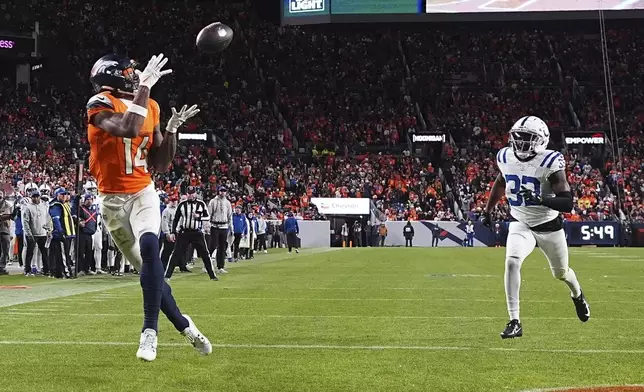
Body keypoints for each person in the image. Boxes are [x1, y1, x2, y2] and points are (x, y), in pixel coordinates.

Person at [86, 53, 210, 361]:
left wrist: (171, 130)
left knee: (151, 247)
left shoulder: (151, 105)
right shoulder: (99, 103)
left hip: (142, 191)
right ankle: (185, 326)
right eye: (129, 72)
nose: (136, 74)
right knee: (151, 274)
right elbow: (127, 128)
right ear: (113, 77)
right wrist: (144, 87)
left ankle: (149, 331)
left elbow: (160, 163)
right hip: (111, 202)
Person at [483, 115, 590, 340]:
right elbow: (501, 182)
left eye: (527, 138)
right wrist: (488, 210)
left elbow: (568, 203)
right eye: (518, 137)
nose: (521, 142)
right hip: (521, 223)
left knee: (561, 273)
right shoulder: (504, 155)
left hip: (549, 226)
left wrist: (540, 199)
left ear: (541, 140)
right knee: (512, 261)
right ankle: (515, 321)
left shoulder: (550, 161)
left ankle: (577, 294)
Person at [165, 186, 217, 281]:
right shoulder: (182, 205)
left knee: (205, 254)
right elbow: (176, 219)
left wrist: (199, 217)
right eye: (189, 193)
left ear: (195, 193)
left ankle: (212, 275)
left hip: (197, 232)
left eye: (192, 193)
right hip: (184, 232)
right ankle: (167, 275)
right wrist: (173, 232)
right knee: (176, 253)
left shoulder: (201, 204)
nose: (190, 195)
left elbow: (207, 217)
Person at [22, 190, 52, 276]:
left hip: (43, 233)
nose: (35, 198)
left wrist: (49, 229)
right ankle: (27, 270)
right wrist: (28, 233)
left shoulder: (44, 206)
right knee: (30, 253)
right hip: (32, 234)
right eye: (33, 197)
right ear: (31, 197)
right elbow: (26, 222)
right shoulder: (28, 207)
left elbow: (48, 219)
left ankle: (46, 270)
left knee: (45, 253)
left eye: (37, 196)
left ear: (39, 197)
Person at [49, 188, 76, 278]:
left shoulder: (64, 204)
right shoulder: (56, 205)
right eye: (62, 194)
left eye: (65, 194)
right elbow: (56, 220)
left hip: (68, 233)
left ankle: (59, 273)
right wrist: (61, 232)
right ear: (57, 195)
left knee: (64, 253)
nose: (64, 196)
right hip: (61, 234)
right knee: (63, 254)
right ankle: (66, 272)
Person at [208, 185, 232, 274]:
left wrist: (231, 227)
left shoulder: (228, 203)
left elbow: (230, 216)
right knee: (212, 246)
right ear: (218, 191)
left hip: (224, 226)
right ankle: (207, 264)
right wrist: (207, 226)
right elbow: (209, 214)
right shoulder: (213, 201)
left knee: (222, 247)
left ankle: (220, 266)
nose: (223, 192)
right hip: (215, 225)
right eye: (221, 191)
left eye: (224, 191)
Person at [77, 194, 98, 274]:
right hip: (82, 233)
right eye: (87, 199)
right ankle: (80, 269)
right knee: (81, 252)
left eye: (90, 199)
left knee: (89, 252)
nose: (89, 201)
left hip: (89, 233)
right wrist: (79, 222)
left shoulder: (92, 210)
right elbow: (76, 217)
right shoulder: (81, 209)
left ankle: (86, 268)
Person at [160, 195, 178, 271]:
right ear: (170, 201)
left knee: (175, 251)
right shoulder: (167, 211)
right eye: (172, 201)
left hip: (177, 232)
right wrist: (167, 233)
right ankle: (162, 267)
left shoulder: (178, 209)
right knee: (167, 251)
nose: (174, 202)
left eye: (175, 201)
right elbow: (164, 222)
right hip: (170, 232)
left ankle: (171, 267)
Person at [0, 191, 12, 275]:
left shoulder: (8, 205)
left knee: (6, 249)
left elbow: (12, 216)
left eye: (0, 195)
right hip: (4, 227)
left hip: (5, 229)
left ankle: (2, 267)